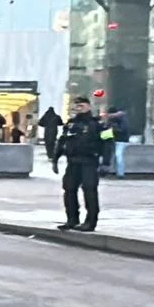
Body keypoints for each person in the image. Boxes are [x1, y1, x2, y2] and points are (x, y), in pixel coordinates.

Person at [54, 96, 111, 232]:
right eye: (77, 106)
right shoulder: (70, 124)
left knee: (89, 191)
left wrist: (106, 163)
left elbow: (108, 143)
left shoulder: (99, 124)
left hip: (89, 161)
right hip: (73, 162)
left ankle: (90, 222)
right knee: (69, 190)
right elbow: (62, 141)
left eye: (82, 106)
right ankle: (72, 220)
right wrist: (55, 159)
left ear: (89, 107)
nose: (79, 108)